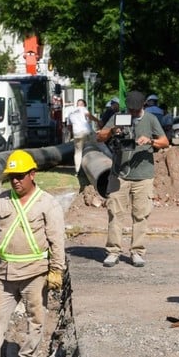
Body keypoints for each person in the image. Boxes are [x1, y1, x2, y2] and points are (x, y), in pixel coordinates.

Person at [0, 150, 66, 357]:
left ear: (32, 174)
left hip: (35, 272)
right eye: (12, 176)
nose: (15, 180)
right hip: (4, 271)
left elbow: (57, 239)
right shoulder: (3, 200)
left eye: (20, 175)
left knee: (35, 318)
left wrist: (56, 270)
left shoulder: (47, 203)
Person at [97, 90, 170, 267]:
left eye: (136, 110)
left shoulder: (151, 119)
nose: (133, 113)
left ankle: (137, 252)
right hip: (119, 174)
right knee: (115, 213)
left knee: (141, 215)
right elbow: (99, 136)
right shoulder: (118, 117)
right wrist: (112, 130)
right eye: (130, 110)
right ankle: (113, 251)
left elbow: (165, 142)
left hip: (143, 176)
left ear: (143, 106)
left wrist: (151, 141)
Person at [67, 99, 101, 174]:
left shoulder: (70, 112)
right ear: (83, 105)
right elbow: (89, 115)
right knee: (100, 145)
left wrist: (72, 134)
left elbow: (69, 126)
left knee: (78, 152)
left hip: (77, 133)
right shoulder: (83, 108)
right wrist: (97, 121)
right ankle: (109, 159)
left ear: (77, 104)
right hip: (86, 131)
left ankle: (77, 171)